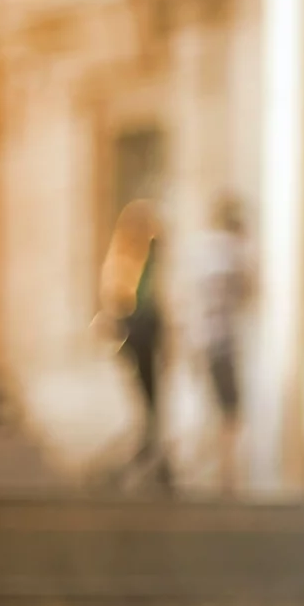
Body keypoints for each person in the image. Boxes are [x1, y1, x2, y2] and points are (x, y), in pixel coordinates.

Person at [98, 199, 170, 492]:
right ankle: (149, 456)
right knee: (147, 399)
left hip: (146, 332)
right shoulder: (127, 259)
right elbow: (118, 299)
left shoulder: (147, 258)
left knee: (151, 400)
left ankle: (153, 456)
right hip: (138, 332)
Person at [190, 193, 255, 495]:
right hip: (223, 342)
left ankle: (214, 473)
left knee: (213, 409)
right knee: (230, 413)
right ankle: (225, 477)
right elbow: (249, 291)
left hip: (201, 340)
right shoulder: (230, 252)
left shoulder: (202, 251)